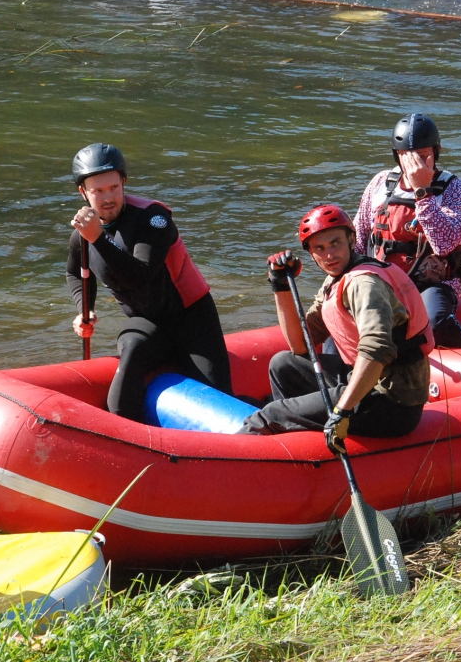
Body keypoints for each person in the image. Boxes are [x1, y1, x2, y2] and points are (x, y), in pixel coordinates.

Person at [238, 205, 433, 453]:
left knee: (270, 414)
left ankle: (252, 452)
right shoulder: (338, 278)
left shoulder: (364, 283)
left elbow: (377, 351)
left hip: (391, 404)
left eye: (335, 243)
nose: (329, 254)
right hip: (366, 384)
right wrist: (281, 286)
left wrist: (342, 410)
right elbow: (300, 345)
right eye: (319, 248)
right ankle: (299, 444)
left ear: (351, 239)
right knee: (284, 365)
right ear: (310, 254)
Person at [65, 143, 232, 421]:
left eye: (114, 188)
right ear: (83, 192)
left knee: (218, 401)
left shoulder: (153, 219)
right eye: (98, 191)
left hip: (192, 320)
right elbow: (75, 272)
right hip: (147, 322)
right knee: (133, 346)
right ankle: (122, 428)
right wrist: (85, 309)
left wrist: (98, 238)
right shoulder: (83, 233)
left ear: (124, 183)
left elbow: (140, 276)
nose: (108, 198)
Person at [352, 113, 461, 348]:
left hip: (432, 286)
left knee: (434, 322)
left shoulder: (457, 191)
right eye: (406, 157)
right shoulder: (380, 184)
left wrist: (422, 190)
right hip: (382, 282)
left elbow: (444, 244)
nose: (414, 165)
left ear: (437, 151)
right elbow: (360, 237)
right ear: (396, 155)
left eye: (422, 156)